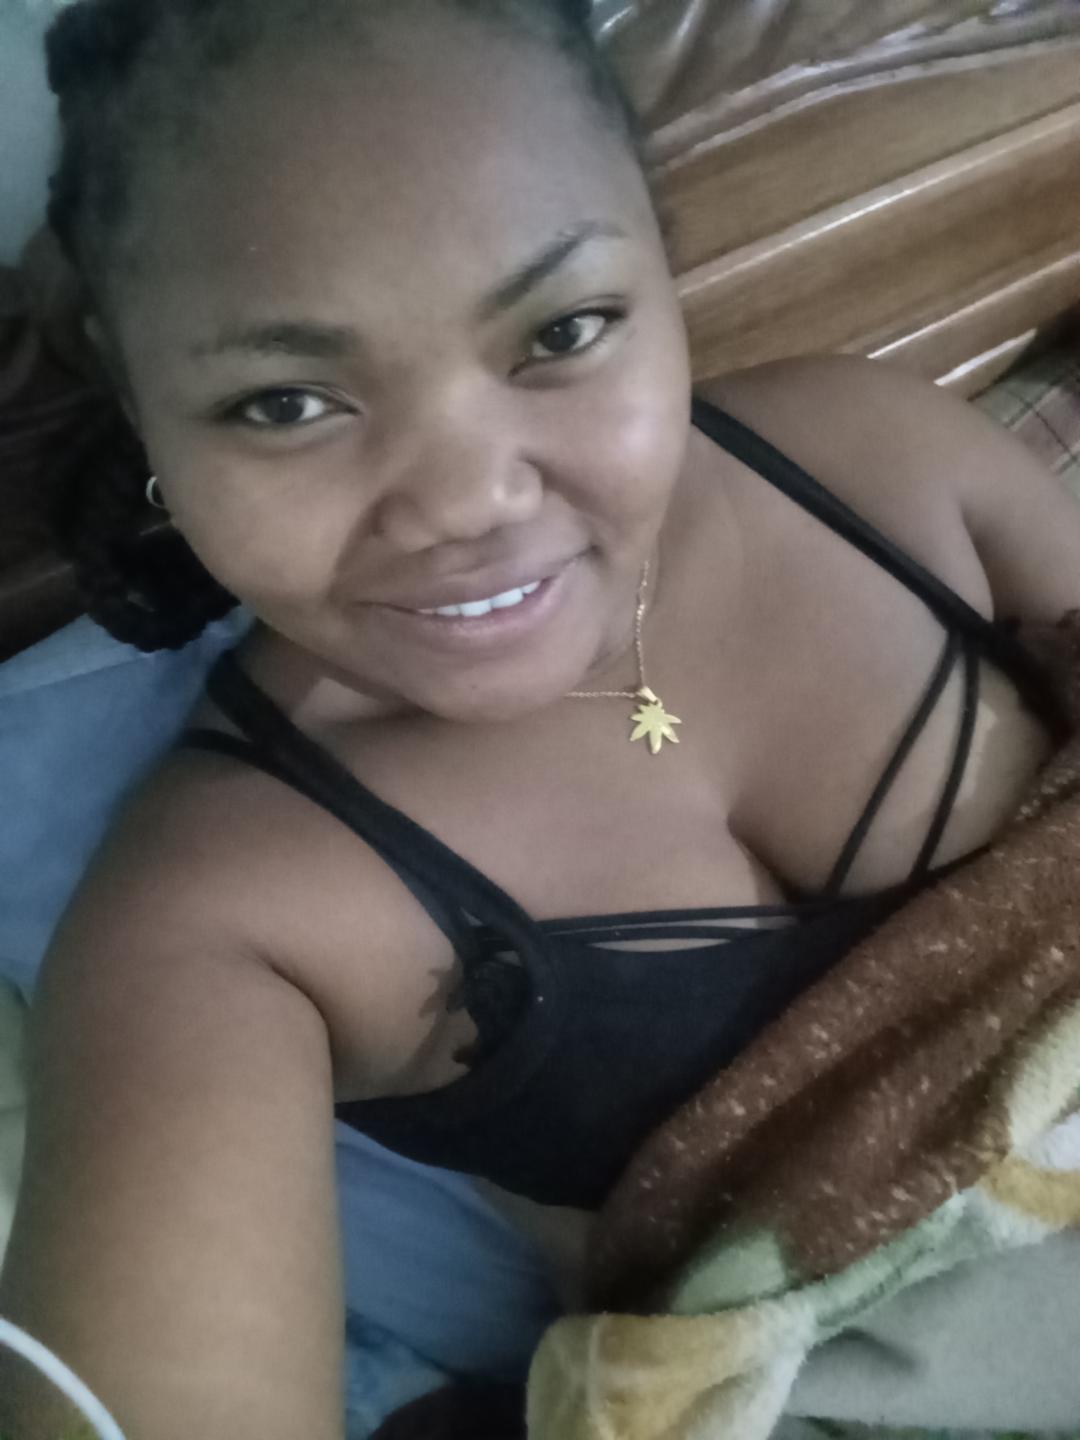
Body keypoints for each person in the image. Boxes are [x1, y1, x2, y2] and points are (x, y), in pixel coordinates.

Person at [1, 1, 1079, 1436]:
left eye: (563, 332)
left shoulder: (884, 463)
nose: (469, 502)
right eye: (286, 403)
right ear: (140, 398)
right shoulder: (220, 916)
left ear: (659, 258)